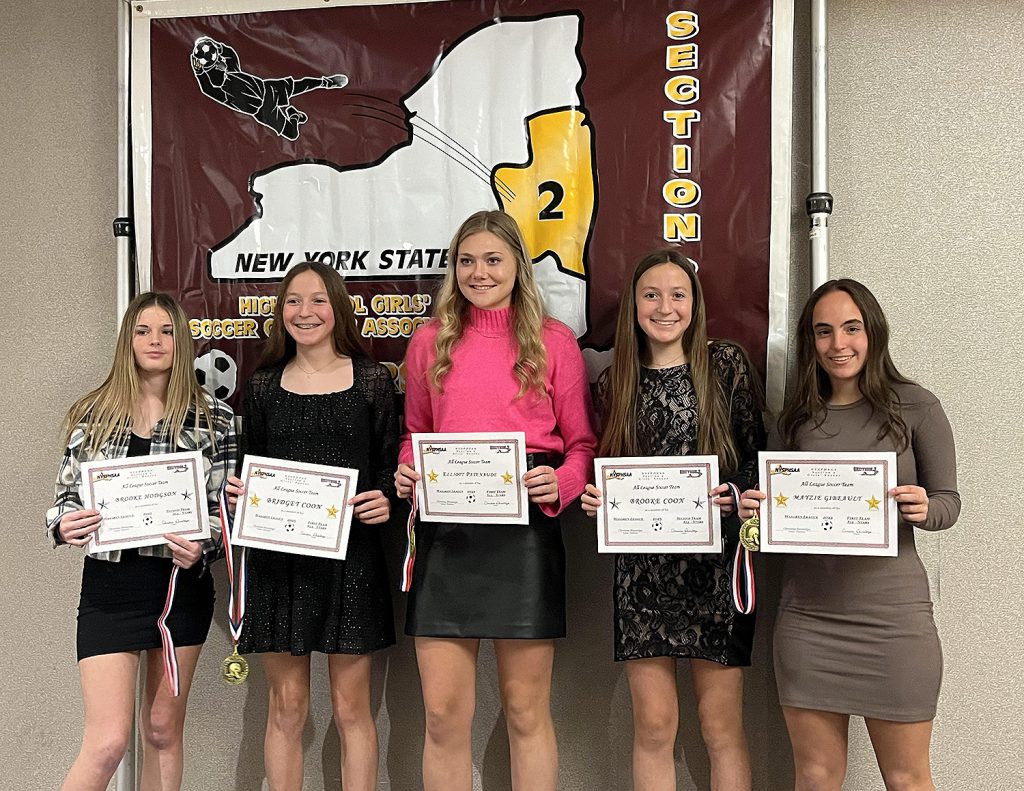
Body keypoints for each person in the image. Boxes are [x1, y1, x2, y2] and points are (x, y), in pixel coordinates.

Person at [394, 210, 597, 791]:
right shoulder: (429, 342)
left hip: (525, 531)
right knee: (441, 716)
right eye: (466, 261)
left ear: (517, 266)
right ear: (452, 268)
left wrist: (562, 483)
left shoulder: (553, 342)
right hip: (447, 532)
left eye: (492, 260)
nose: (479, 273)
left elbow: (582, 444)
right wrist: (408, 470)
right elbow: (414, 434)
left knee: (526, 711)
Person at [738, 279, 959, 791]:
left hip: (894, 622)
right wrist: (755, 513)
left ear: (873, 332)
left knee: (907, 778)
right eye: (824, 331)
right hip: (808, 623)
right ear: (810, 342)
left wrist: (925, 508)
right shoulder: (794, 419)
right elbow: (776, 520)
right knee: (814, 776)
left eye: (851, 328)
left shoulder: (917, 406)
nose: (839, 344)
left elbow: (949, 502)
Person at [579, 249, 765, 791]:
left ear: (695, 303)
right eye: (651, 295)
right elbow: (606, 469)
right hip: (642, 573)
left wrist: (737, 495)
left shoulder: (726, 365)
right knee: (655, 725)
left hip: (716, 571)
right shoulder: (614, 383)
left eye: (677, 294)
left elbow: (757, 459)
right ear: (634, 306)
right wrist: (598, 501)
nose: (665, 307)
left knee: (719, 724)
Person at [46, 292, 237, 791]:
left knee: (161, 730)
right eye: (143, 331)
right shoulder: (93, 414)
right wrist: (65, 524)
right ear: (127, 340)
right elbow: (66, 498)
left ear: (182, 340)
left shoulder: (216, 419)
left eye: (167, 331)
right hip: (112, 586)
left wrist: (205, 546)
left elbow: (225, 512)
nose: (155, 341)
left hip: (181, 587)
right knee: (107, 741)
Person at [225, 261, 396, 791]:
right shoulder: (262, 388)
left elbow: (391, 468)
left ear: (339, 308)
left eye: (318, 300)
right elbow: (246, 469)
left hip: (354, 562)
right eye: (293, 301)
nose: (305, 312)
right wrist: (237, 495)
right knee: (286, 706)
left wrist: (385, 498)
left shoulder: (373, 382)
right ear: (280, 314)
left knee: (351, 709)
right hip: (279, 566)